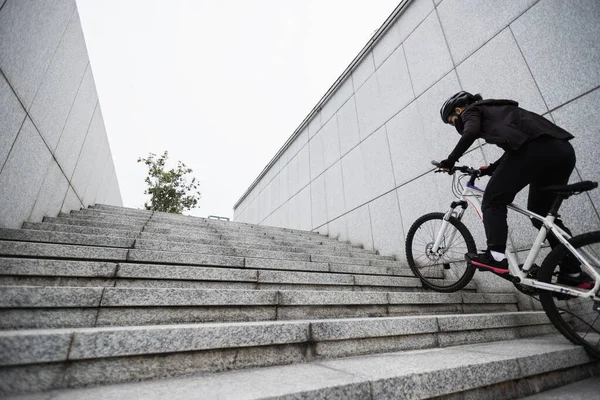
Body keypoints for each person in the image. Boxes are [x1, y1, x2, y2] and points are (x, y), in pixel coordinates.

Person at [437, 91, 593, 288]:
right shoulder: (499, 110)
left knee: (493, 200)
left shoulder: (471, 111)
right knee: (541, 215)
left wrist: (450, 161)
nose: (455, 125)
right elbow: (519, 144)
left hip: (535, 150)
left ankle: (495, 256)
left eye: (452, 121)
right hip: (561, 151)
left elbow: (471, 132)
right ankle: (572, 272)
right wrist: (492, 169)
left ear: (458, 110)